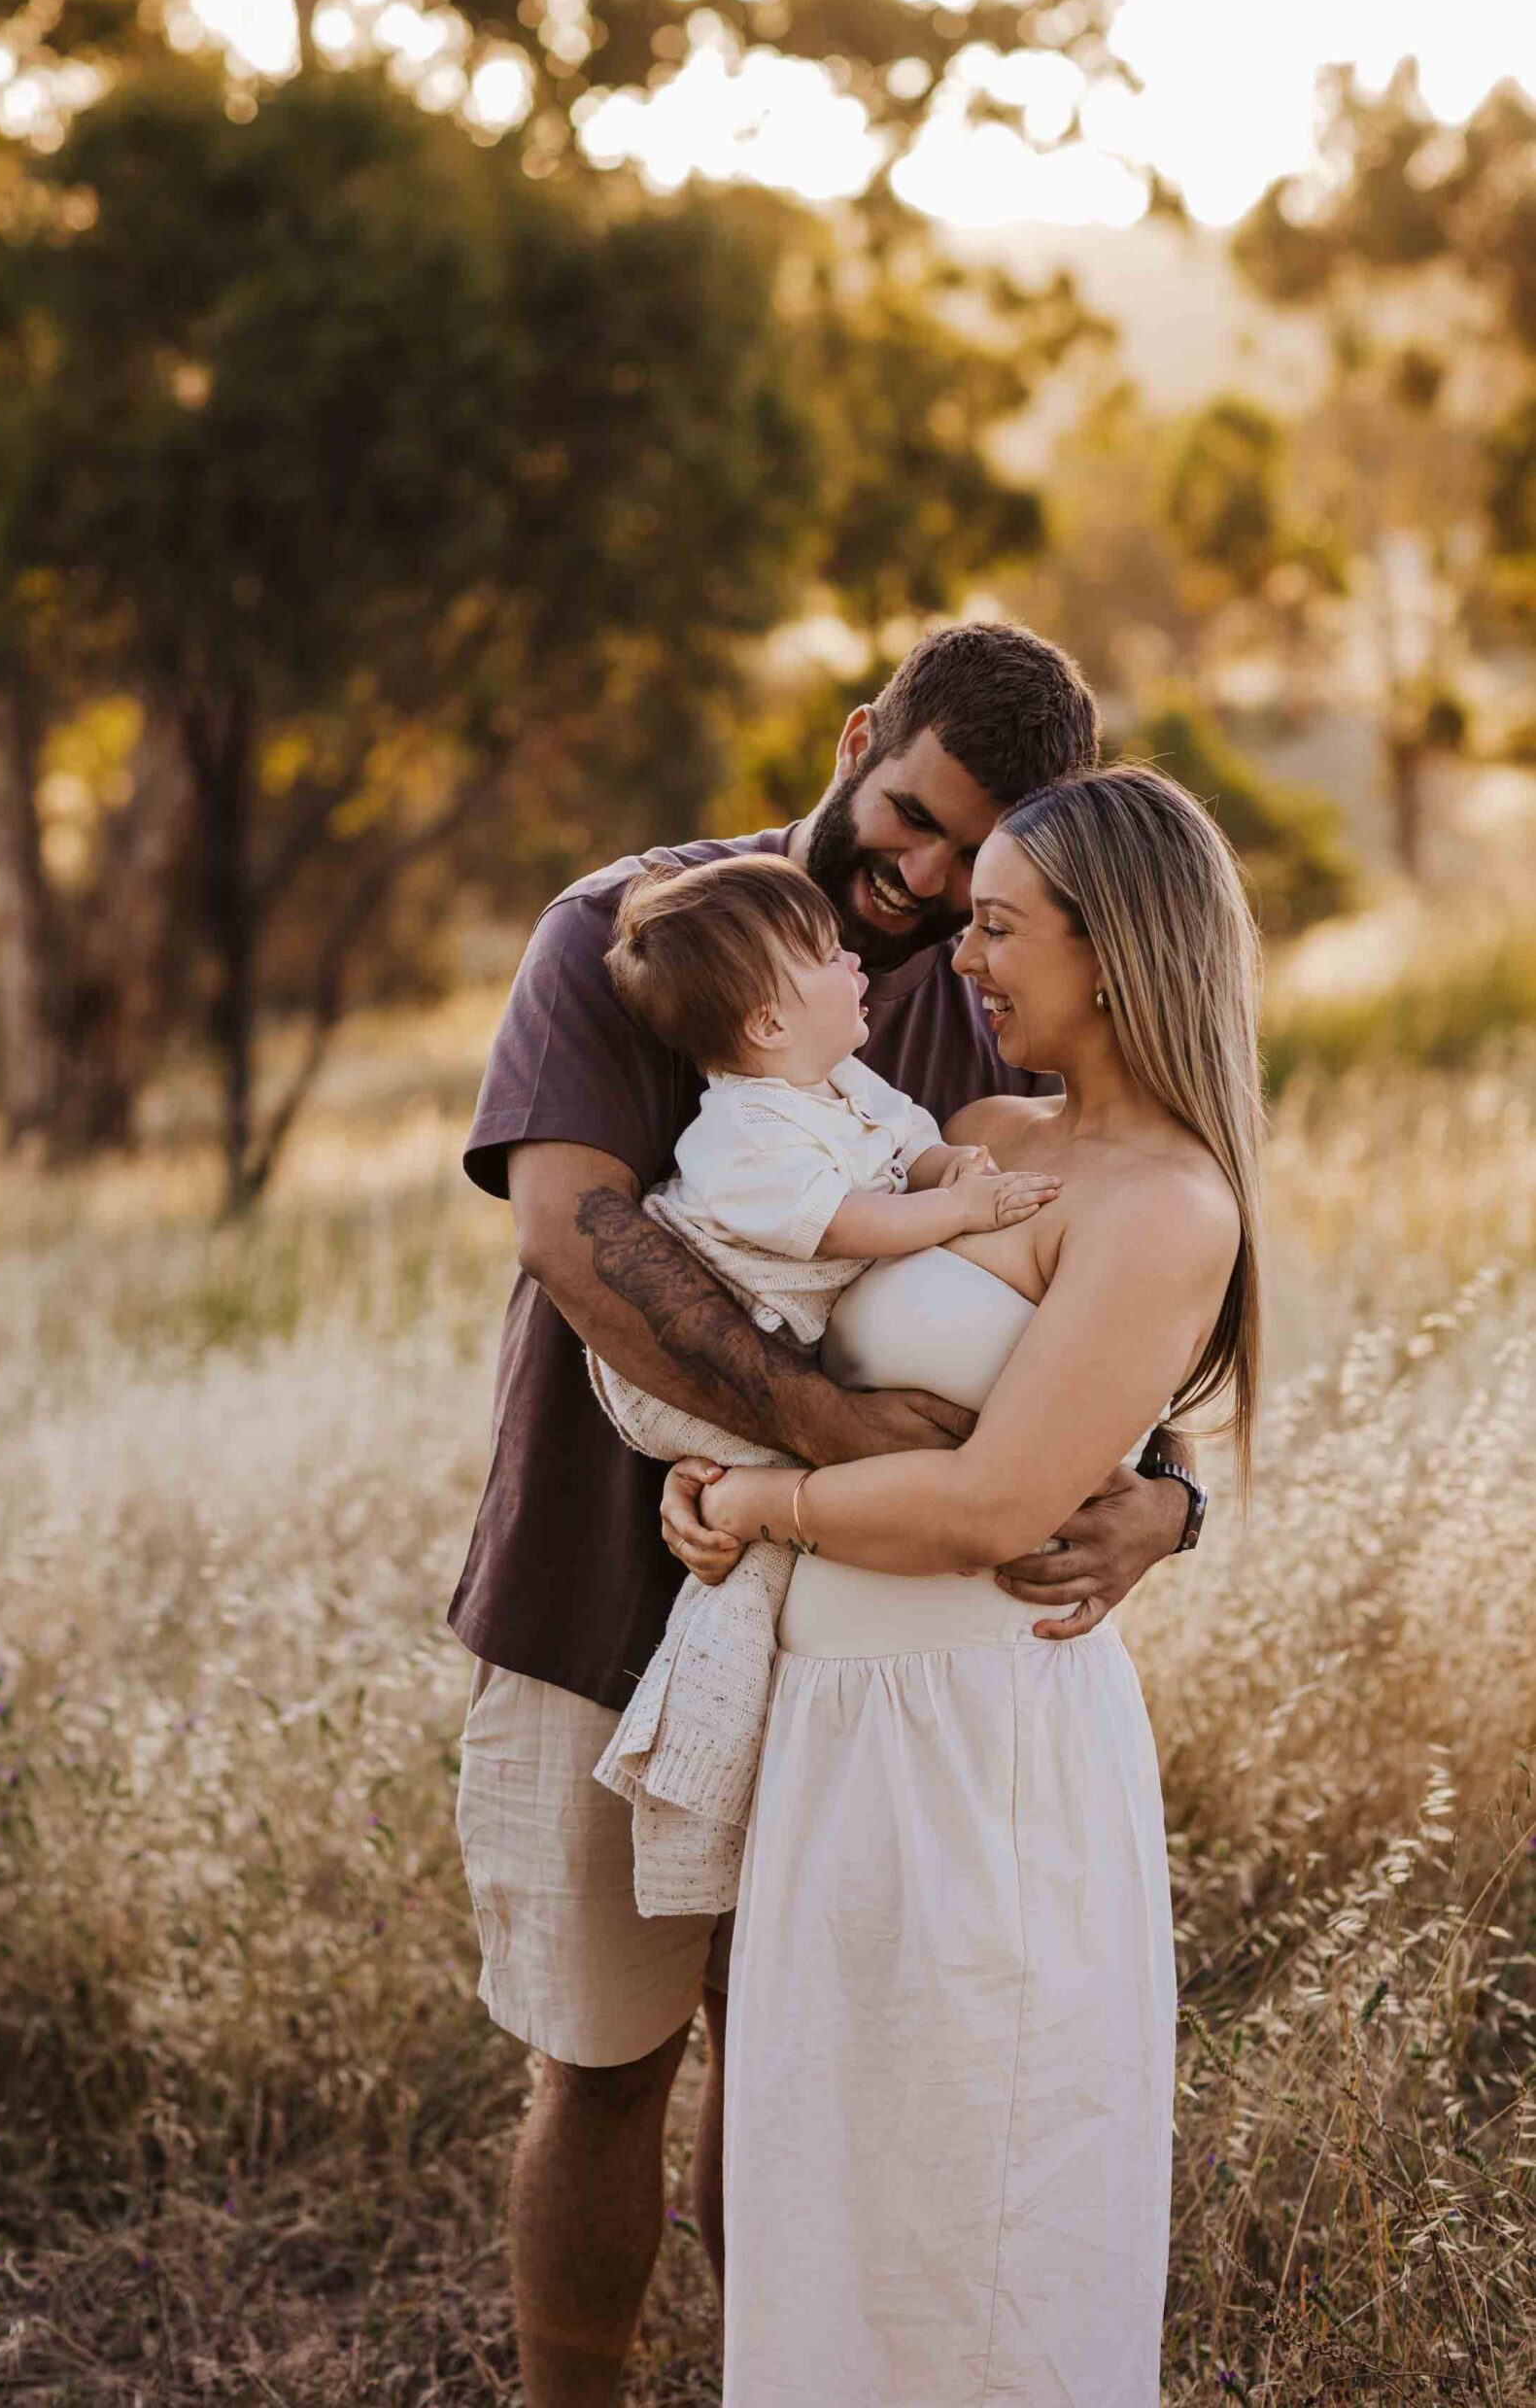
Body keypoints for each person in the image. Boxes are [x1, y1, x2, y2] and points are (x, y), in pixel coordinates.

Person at [451, 623, 1199, 2408]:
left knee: (809, 2082)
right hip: (598, 1598)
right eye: (915, 818)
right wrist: (845, 1453)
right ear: (862, 736)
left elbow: (1093, 1284)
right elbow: (582, 1237)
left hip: (863, 1647)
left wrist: (1167, 1496)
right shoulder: (630, 935)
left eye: (978, 859)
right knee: (606, 2068)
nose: (928, 882)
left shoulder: (981, 979)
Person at [662, 764, 1259, 2406]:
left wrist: (762, 1498)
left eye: (998, 926)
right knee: (833, 2194)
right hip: (837, 1719)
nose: (965, 957)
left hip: (981, 1744)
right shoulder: (973, 1140)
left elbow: (1000, 1502)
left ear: (1116, 948)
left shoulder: (1169, 1206)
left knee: (981, 2213)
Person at [589, 852, 1063, 1917]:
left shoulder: (844, 1084)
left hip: (790, 1342)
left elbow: (913, 1154)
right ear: (763, 1024)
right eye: (820, 954)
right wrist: (960, 1215)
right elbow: (848, 1224)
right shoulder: (743, 1135)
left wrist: (952, 1174)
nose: (854, 958)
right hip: (682, 1369)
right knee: (745, 1499)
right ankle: (699, 1732)